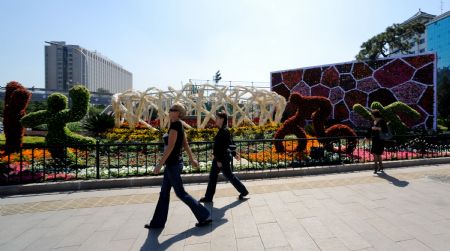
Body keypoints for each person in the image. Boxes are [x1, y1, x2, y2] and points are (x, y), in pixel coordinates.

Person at [145, 103, 212, 229]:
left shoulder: (175, 126)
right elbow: (185, 144)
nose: (170, 111)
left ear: (178, 113)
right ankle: (157, 223)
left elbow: (170, 147)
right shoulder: (178, 124)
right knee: (164, 193)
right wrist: (192, 159)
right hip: (174, 163)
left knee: (180, 193)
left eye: (173, 110)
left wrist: (159, 165)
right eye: (170, 109)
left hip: (172, 164)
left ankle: (204, 215)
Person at [199, 111, 248, 203]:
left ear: (222, 119)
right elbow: (229, 144)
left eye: (217, 118)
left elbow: (224, 146)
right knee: (217, 176)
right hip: (221, 158)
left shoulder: (224, 131)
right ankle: (208, 197)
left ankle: (243, 191)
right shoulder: (223, 130)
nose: (215, 119)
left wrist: (218, 160)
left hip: (221, 158)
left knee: (226, 176)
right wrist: (234, 153)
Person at [369, 109, 389, 174]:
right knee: (376, 153)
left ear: (375, 115)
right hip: (375, 139)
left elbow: (385, 130)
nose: (371, 116)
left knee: (377, 154)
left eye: (372, 115)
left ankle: (376, 167)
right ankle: (379, 167)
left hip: (380, 140)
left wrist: (377, 128)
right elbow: (371, 130)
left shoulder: (382, 121)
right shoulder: (374, 121)